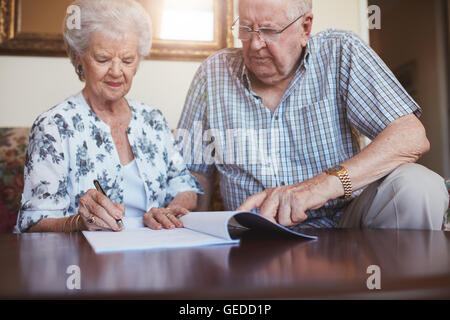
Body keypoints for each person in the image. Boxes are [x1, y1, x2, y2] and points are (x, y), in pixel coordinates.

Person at [177, 0, 448, 230]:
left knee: (418, 185)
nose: (256, 44)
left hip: (345, 224)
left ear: (305, 27)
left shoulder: (341, 52)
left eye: (270, 30)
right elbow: (192, 173)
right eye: (247, 28)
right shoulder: (213, 73)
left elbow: (411, 136)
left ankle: (394, 290)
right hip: (252, 235)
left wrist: (319, 187)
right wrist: (178, 210)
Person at [15, 0, 202, 233]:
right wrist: (79, 222)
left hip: (154, 252)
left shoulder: (152, 119)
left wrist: (169, 212)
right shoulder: (53, 126)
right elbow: (33, 222)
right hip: (84, 261)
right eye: (103, 59)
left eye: (127, 60)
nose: (116, 71)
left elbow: (185, 186)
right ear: (78, 59)